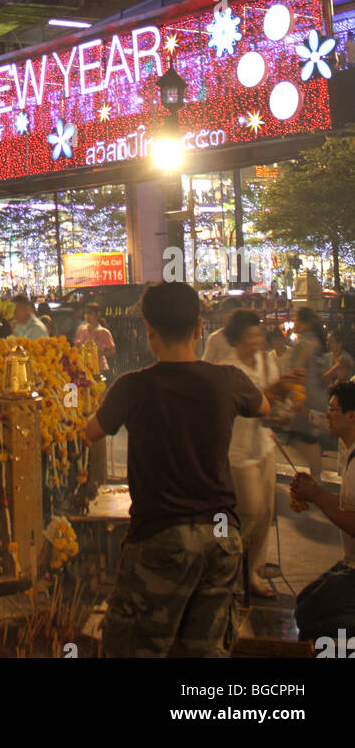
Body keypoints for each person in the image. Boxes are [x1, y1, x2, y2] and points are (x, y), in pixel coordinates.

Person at [85, 281, 270, 657]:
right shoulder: (227, 381)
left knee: (136, 647)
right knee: (204, 650)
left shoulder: (131, 388)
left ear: (149, 331)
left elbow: (90, 432)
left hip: (161, 536)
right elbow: (263, 406)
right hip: (220, 536)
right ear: (199, 327)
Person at [216, 310, 297, 597]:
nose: (258, 338)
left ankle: (254, 573)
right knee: (250, 511)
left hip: (264, 446)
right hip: (238, 452)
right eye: (252, 334)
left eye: (258, 333)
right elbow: (253, 403)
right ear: (238, 338)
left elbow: (275, 405)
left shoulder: (267, 363)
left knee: (266, 514)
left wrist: (286, 406)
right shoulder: (229, 369)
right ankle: (230, 565)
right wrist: (278, 389)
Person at [290, 381, 355, 643]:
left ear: (352, 416)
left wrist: (316, 495)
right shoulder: (348, 451)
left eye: (333, 410)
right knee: (305, 601)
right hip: (350, 562)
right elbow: (346, 504)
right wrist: (313, 490)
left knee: (309, 616)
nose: (328, 415)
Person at [287, 307, 328, 480]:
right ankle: (316, 476)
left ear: (303, 324)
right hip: (319, 397)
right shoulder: (318, 342)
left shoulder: (304, 343)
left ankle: (316, 479)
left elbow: (296, 370)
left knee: (301, 438)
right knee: (311, 438)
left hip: (306, 398)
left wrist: (294, 397)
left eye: (296, 319)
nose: (294, 323)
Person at [74, 304, 115, 375]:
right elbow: (76, 347)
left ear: (98, 315)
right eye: (85, 313)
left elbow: (112, 351)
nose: (87, 316)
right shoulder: (80, 329)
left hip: (99, 368)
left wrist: (99, 353)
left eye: (90, 313)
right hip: (82, 367)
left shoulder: (104, 332)